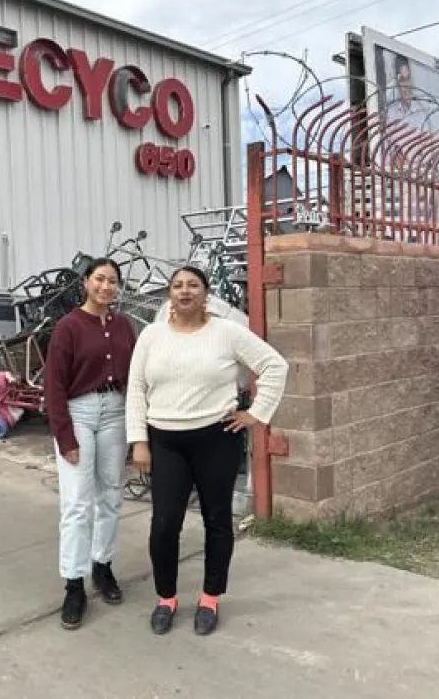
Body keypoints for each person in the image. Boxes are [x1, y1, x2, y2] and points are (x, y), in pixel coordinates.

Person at [125, 266, 288, 637]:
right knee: (164, 524)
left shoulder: (227, 333)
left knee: (217, 521)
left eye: (193, 285)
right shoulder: (151, 336)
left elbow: (275, 365)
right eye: (178, 286)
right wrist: (139, 440)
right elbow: (136, 389)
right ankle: (166, 598)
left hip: (216, 439)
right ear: (170, 293)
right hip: (165, 441)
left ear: (205, 293)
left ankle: (210, 597)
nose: (185, 292)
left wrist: (255, 415)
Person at [44, 257, 137, 630]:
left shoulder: (124, 325)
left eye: (112, 281)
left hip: (115, 410)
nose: (106, 287)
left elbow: (135, 374)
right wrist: (64, 435)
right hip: (79, 413)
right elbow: (54, 386)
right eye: (99, 279)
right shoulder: (68, 327)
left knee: (111, 494)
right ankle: (73, 583)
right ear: (86, 283)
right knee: (78, 503)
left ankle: (103, 565)